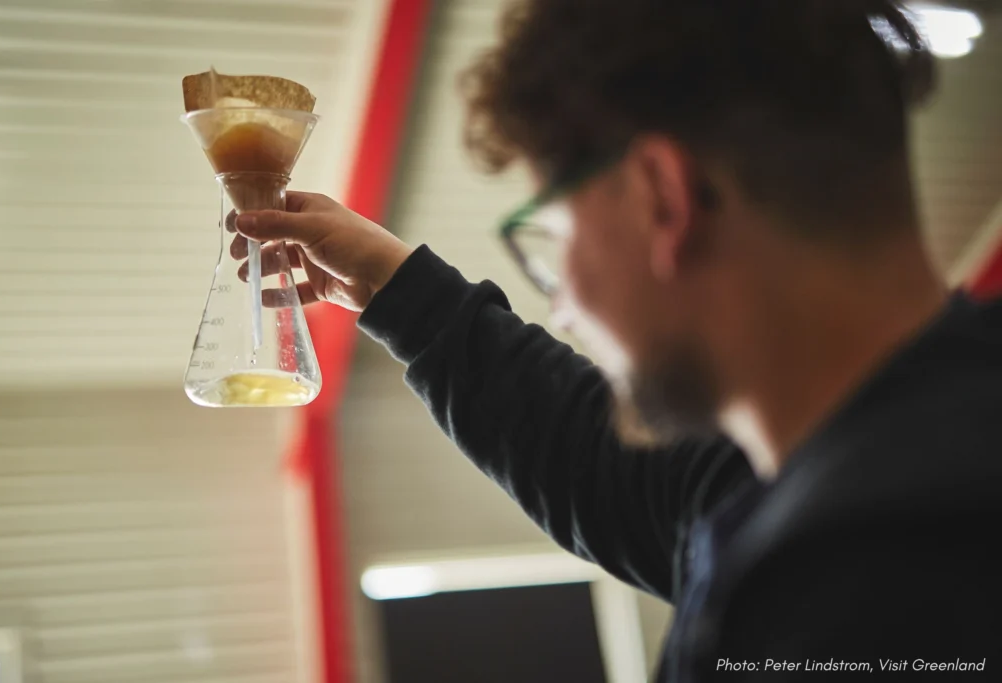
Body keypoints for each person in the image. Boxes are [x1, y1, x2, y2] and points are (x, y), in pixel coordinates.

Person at [231, 0, 1002, 679]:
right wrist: (395, 290)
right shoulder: (811, 470)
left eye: (556, 232)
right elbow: (601, 465)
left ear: (662, 197)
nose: (563, 305)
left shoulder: (856, 591)